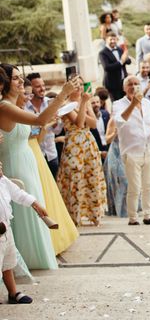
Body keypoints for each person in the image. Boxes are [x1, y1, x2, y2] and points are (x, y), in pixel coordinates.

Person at [0, 66, 79, 270]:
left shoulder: (14, 104)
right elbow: (39, 119)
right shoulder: (4, 107)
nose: (20, 82)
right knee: (24, 213)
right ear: (5, 82)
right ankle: (23, 261)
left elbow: (37, 127)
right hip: (15, 165)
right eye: (15, 78)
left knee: (36, 209)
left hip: (27, 161)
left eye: (20, 77)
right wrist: (63, 94)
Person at [57, 78, 107, 227]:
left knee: (91, 175)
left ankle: (93, 214)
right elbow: (78, 123)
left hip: (88, 142)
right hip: (74, 143)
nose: (78, 88)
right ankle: (74, 216)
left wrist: (84, 104)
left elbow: (93, 124)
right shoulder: (66, 105)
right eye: (75, 85)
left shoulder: (83, 101)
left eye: (80, 85)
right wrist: (84, 104)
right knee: (75, 178)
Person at [112, 76, 150, 226]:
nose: (133, 87)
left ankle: (148, 215)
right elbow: (119, 121)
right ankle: (133, 218)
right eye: (130, 84)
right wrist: (133, 104)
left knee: (148, 185)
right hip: (131, 151)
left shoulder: (146, 103)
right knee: (134, 187)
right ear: (124, 88)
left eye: (136, 84)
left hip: (147, 148)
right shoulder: (118, 104)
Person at [0, 160, 49, 304]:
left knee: (8, 264)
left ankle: (13, 293)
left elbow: (18, 194)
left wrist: (35, 204)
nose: (1, 165)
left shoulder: (3, 181)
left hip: (6, 230)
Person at [25, 73, 62, 177]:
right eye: (38, 86)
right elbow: (28, 134)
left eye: (43, 85)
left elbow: (57, 131)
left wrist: (55, 122)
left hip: (52, 154)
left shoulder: (50, 103)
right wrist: (42, 127)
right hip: (36, 155)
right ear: (30, 89)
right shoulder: (24, 108)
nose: (42, 89)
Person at [103, 118, 127, 218]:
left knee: (131, 181)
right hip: (116, 152)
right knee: (122, 180)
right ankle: (120, 209)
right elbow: (107, 139)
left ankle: (128, 207)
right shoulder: (114, 120)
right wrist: (115, 134)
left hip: (129, 150)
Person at [99, 32, 131, 101]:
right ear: (106, 40)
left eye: (114, 39)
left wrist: (126, 58)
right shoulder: (103, 53)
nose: (113, 41)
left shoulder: (119, 49)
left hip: (123, 82)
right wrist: (121, 62)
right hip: (112, 84)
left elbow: (128, 62)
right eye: (111, 39)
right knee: (117, 104)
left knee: (126, 102)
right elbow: (107, 67)